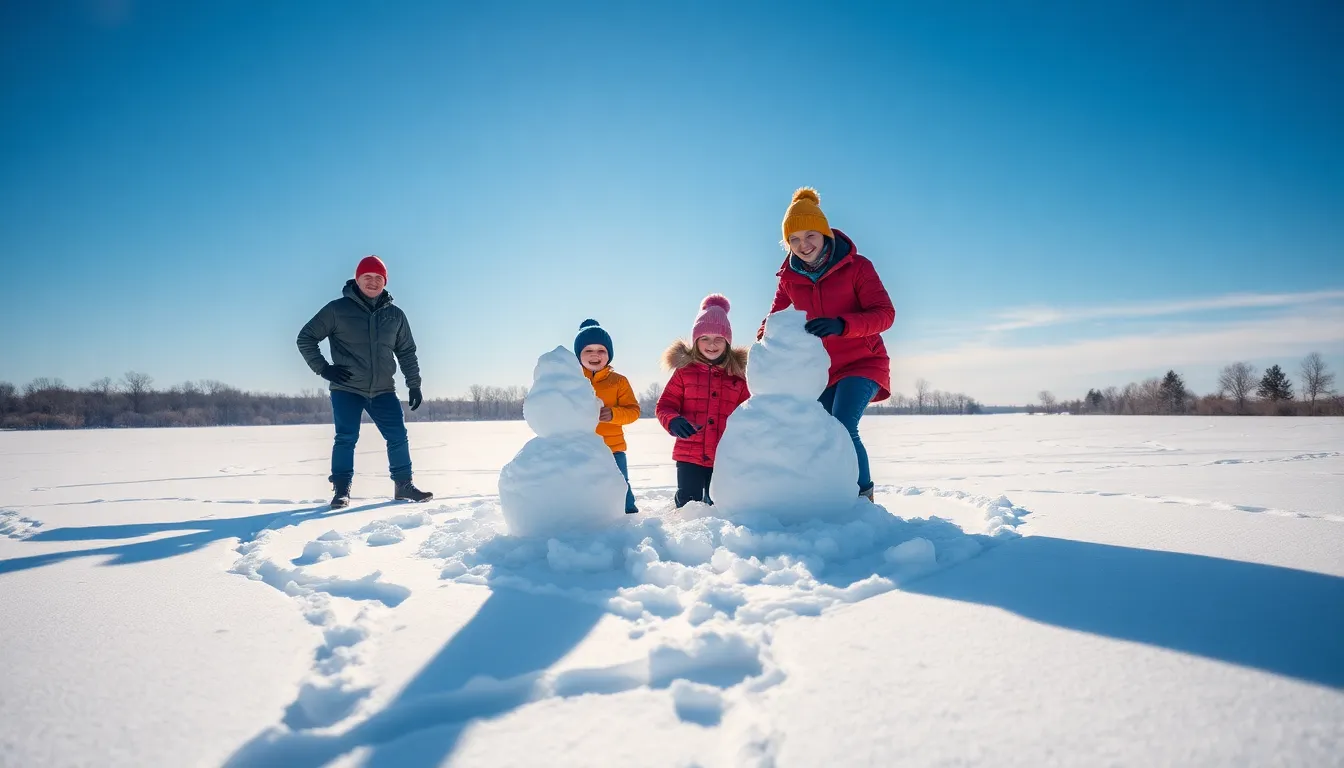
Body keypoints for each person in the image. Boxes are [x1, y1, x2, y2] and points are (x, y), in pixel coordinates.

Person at [761, 188, 895, 501]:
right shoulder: (789, 279)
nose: (803, 245)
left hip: (864, 362)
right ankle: (830, 494)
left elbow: (885, 315)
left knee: (843, 424)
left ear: (824, 233)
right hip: (822, 372)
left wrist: (843, 325)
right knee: (819, 432)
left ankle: (864, 497)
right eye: (794, 239)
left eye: (810, 235)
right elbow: (774, 320)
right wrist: (763, 345)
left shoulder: (858, 267)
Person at [296, 255, 433, 508]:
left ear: (385, 282)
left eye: (378, 278)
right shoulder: (337, 309)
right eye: (367, 277)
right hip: (346, 388)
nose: (372, 282)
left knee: (398, 436)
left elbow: (406, 351)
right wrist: (324, 369)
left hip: (383, 390)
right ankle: (341, 490)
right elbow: (306, 338)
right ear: (357, 279)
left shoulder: (395, 315)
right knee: (346, 437)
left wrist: (414, 384)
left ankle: (403, 485)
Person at [657, 295, 750, 507]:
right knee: (689, 504)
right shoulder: (684, 373)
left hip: (725, 454)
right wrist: (673, 420)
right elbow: (665, 406)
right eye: (705, 338)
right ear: (696, 341)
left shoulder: (739, 376)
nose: (711, 344)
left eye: (718, 339)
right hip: (689, 453)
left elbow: (748, 412)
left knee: (720, 504)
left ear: (727, 342)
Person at [574, 319, 642, 514]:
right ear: (579, 355)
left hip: (613, 448)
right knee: (586, 487)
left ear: (609, 354)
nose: (595, 355)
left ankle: (629, 516)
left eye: (601, 350)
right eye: (588, 350)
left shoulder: (619, 381)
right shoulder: (573, 381)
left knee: (621, 485)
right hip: (581, 447)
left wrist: (612, 413)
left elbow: (633, 411)